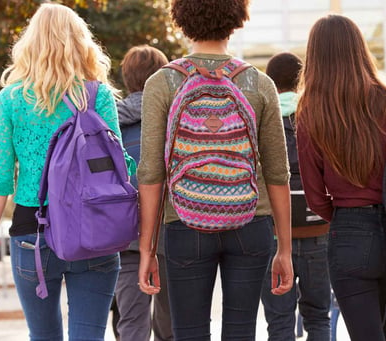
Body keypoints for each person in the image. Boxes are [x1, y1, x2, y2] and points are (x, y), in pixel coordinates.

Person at [0, 3, 135, 340]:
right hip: (95, 231)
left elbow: (0, 182)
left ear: (30, 44)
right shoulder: (97, 94)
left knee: (42, 335)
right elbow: (122, 167)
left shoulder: (11, 99)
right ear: (80, 42)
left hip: (33, 234)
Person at [137, 0, 294, 340]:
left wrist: (147, 249)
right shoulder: (259, 83)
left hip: (183, 222)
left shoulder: (162, 83)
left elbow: (151, 173)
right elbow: (278, 173)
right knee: (241, 332)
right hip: (251, 222)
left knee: (189, 333)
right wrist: (285, 248)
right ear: (237, 18)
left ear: (181, 18)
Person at [296, 14, 386, 341]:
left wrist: (345, 218)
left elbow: (314, 196)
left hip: (349, 234)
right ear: (360, 49)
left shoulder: (310, 110)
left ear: (315, 56)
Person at [260, 52, 332, 341]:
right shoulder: (319, 119)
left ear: (270, 83)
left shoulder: (261, 119)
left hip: (273, 236)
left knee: (279, 321)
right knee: (318, 317)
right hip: (318, 230)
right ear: (301, 81)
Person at [115, 45, 173, 341]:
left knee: (131, 325)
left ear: (127, 79)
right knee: (172, 327)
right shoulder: (174, 120)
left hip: (125, 237)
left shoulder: (109, 125)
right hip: (169, 234)